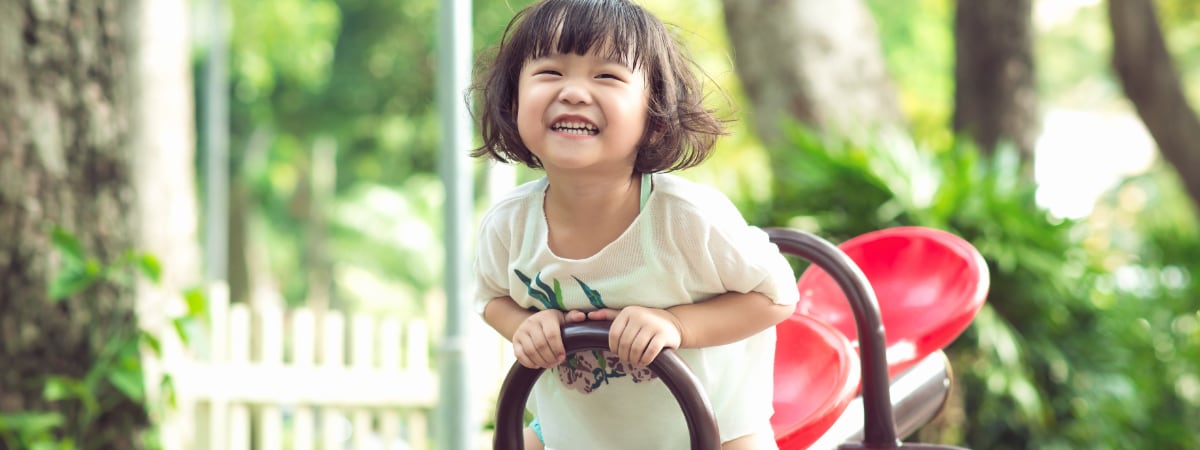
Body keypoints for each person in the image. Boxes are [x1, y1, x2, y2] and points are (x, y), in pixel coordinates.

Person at [470, 0, 799, 448]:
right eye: (550, 72)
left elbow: (776, 296)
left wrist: (677, 325)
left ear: (655, 119)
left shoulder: (687, 218)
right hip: (579, 434)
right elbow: (490, 298)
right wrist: (524, 326)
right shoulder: (509, 225)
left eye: (606, 76)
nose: (573, 92)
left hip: (712, 433)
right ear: (513, 102)